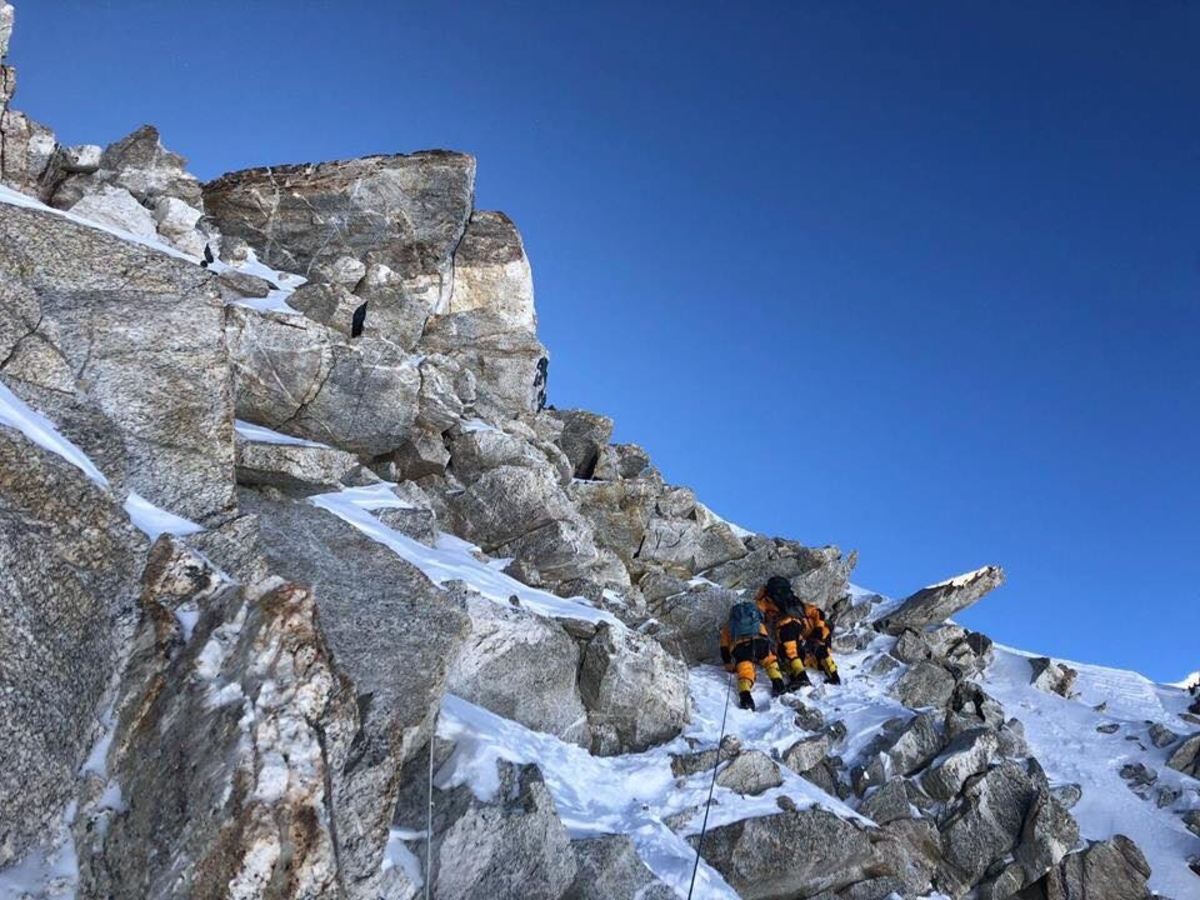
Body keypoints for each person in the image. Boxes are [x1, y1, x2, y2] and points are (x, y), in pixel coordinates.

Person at [757, 575, 841, 687]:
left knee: (786, 651)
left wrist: (762, 636)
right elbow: (818, 612)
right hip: (803, 630)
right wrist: (818, 630)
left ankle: (800, 677)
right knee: (818, 648)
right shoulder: (794, 601)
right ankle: (834, 676)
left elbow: (757, 615)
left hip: (787, 629)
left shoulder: (766, 600)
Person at [719, 599, 787, 711]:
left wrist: (727, 663)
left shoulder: (729, 625)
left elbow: (724, 646)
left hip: (741, 647)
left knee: (745, 671)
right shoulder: (755, 620)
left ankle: (746, 698)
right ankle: (778, 684)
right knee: (769, 661)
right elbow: (764, 635)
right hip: (759, 643)